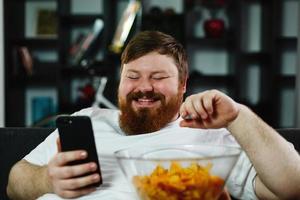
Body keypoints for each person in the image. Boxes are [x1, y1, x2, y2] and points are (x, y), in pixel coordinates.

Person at [7, 31, 300, 200]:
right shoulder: (87, 119)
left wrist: (239, 117)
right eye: (132, 76)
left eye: (158, 77)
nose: (144, 87)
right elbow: (14, 183)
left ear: (183, 85)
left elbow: (291, 186)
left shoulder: (213, 135)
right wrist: (47, 180)